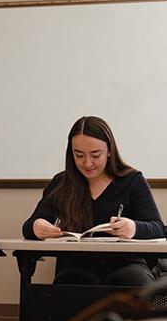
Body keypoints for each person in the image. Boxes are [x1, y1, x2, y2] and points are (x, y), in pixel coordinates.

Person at [22, 115, 164, 286]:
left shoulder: (132, 180)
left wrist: (133, 228)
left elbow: (157, 228)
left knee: (130, 280)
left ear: (109, 151)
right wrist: (37, 227)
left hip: (127, 263)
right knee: (72, 281)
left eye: (96, 155)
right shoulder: (61, 183)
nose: (87, 163)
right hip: (76, 264)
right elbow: (29, 226)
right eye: (79, 155)